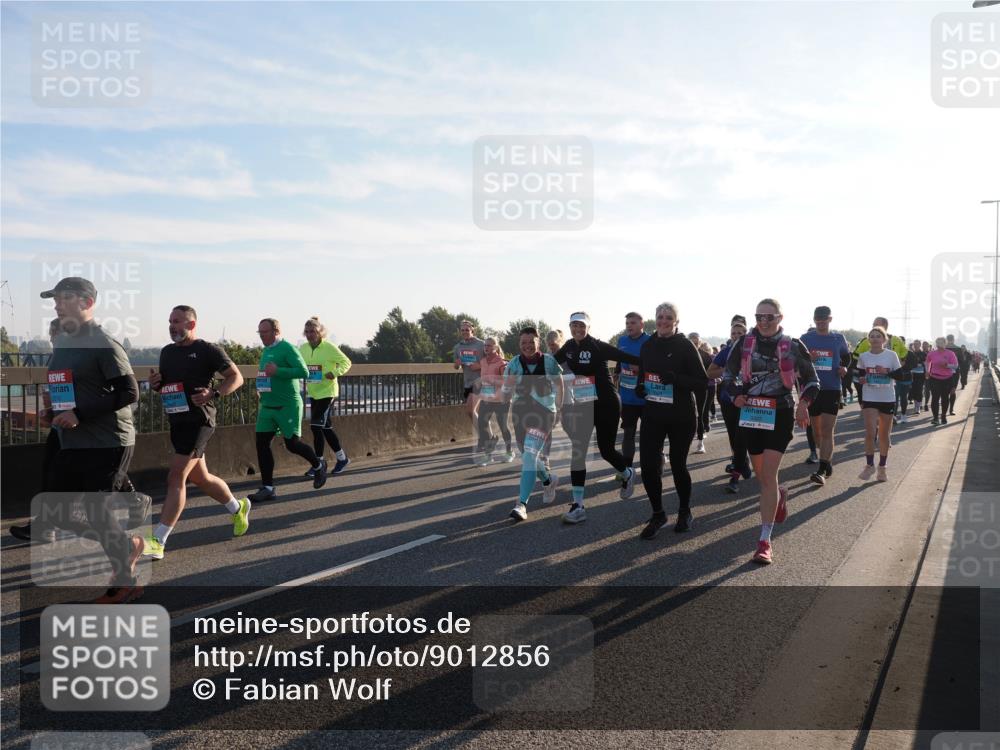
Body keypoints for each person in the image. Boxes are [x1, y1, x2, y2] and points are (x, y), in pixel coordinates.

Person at [39, 277, 146, 603]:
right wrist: (55, 412)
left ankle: (125, 584)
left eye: (64, 298)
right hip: (73, 440)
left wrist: (79, 413)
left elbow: (130, 392)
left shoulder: (103, 343)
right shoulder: (63, 344)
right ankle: (126, 546)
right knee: (55, 511)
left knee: (96, 512)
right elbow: (71, 388)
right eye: (55, 300)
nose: (57, 305)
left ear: (87, 303)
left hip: (108, 440)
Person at [144, 305, 249, 560]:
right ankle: (238, 508)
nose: (172, 326)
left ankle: (158, 539)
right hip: (178, 420)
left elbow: (236, 377)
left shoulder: (207, 350)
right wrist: (157, 384)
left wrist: (214, 393)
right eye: (170, 321)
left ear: (191, 324)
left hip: (200, 421)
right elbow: (168, 385)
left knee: (176, 477)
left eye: (177, 321)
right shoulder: (167, 352)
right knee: (201, 478)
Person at [723, 298, 818, 565]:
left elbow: (812, 380)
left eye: (769, 317)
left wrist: (804, 405)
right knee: (763, 477)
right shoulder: (744, 344)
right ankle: (779, 494)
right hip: (751, 414)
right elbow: (728, 376)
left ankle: (764, 540)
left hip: (780, 412)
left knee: (768, 475)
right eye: (759, 317)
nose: (763, 322)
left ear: (780, 318)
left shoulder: (793, 345)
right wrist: (736, 395)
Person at [553, 312, 641, 524]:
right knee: (578, 451)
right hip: (584, 403)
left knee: (606, 451)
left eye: (582, 326)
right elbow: (550, 363)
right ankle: (578, 505)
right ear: (570, 327)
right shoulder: (569, 346)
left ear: (588, 327)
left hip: (607, 403)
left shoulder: (597, 346)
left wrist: (651, 363)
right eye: (574, 325)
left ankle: (627, 473)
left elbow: (627, 358)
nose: (578, 329)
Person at [634, 303, 707, 539]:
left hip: (681, 415)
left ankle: (685, 511)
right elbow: (642, 377)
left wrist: (676, 379)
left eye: (668, 317)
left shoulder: (685, 346)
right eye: (660, 317)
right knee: (648, 466)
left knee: (677, 465)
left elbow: (702, 382)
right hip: (653, 414)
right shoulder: (648, 346)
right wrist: (640, 388)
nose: (663, 321)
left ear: (676, 322)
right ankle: (658, 514)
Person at [249, 318, 327, 502]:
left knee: (292, 444)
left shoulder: (288, 348)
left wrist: (278, 371)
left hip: (287, 405)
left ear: (276, 331)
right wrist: (261, 388)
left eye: (265, 332)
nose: (262, 336)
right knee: (262, 444)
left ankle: (318, 464)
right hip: (268, 405)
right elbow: (266, 373)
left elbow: (303, 372)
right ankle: (268, 488)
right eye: (260, 332)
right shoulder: (266, 350)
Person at [503, 327, 563, 522]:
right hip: (521, 413)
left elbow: (559, 384)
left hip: (544, 412)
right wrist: (507, 388)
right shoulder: (513, 364)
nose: (527, 346)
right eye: (524, 343)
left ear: (538, 343)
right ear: (519, 344)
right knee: (528, 455)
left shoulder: (549, 362)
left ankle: (521, 504)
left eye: (531, 342)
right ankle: (548, 480)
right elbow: (505, 393)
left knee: (529, 454)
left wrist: (559, 408)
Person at [799, 306, 851, 485]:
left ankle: (821, 469)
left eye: (824, 319)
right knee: (817, 432)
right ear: (814, 320)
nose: (821, 322)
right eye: (818, 320)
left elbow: (847, 357)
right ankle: (826, 461)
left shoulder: (838, 338)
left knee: (828, 430)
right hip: (812, 388)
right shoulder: (806, 338)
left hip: (832, 388)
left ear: (830, 319)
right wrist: (809, 360)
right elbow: (797, 361)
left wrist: (844, 368)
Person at [299, 317, 352, 476]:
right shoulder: (303, 348)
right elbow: (297, 364)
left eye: (313, 331)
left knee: (316, 426)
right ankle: (342, 458)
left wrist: (335, 372)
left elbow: (346, 362)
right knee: (326, 427)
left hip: (328, 392)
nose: (310, 335)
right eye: (307, 332)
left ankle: (319, 464)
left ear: (320, 332)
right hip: (313, 392)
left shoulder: (329, 347)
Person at [707, 315, 751, 494]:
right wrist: (727, 370)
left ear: (746, 334)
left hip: (748, 402)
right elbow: (710, 373)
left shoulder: (753, 351)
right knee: (734, 436)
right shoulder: (725, 352)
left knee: (743, 436)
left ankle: (736, 475)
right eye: (734, 333)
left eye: (740, 333)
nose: (737, 335)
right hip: (727, 400)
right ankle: (742, 463)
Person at [857, 327, 904, 481]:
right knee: (870, 433)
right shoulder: (863, 356)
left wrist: (886, 372)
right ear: (868, 339)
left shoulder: (891, 355)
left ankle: (882, 468)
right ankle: (869, 465)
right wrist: (862, 380)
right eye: (872, 336)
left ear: (884, 340)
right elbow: (860, 376)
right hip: (869, 396)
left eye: (878, 336)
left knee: (884, 435)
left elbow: (900, 375)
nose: (875, 338)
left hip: (887, 398)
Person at [615, 312, 650, 472]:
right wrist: (617, 373)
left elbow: (657, 365)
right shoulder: (621, 341)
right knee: (628, 433)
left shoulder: (650, 341)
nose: (629, 326)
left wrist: (641, 369)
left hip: (647, 397)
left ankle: (656, 459)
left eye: (633, 323)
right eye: (627, 323)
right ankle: (627, 469)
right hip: (627, 397)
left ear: (642, 325)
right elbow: (619, 362)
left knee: (649, 435)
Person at [475, 337, 514, 464]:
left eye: (489, 345)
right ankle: (489, 452)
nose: (486, 348)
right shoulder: (482, 361)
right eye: (485, 345)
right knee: (482, 423)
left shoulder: (501, 363)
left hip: (501, 400)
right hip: (486, 398)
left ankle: (509, 452)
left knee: (503, 426)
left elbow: (507, 382)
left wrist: (492, 381)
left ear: (496, 347)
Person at [453, 320, 485, 431]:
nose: (464, 332)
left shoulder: (481, 344)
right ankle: (489, 436)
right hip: (467, 382)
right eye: (462, 330)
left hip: (481, 381)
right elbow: (456, 366)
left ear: (472, 330)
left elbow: (492, 360)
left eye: (467, 330)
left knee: (470, 410)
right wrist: (457, 365)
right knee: (477, 412)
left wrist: (479, 365)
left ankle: (483, 436)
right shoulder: (458, 347)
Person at [688, 331, 712, 454]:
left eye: (696, 341)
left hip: (701, 388)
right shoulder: (683, 354)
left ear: (699, 342)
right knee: (687, 414)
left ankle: (700, 443)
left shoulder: (705, 355)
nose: (694, 343)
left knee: (700, 415)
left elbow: (711, 372)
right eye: (692, 340)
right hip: (686, 387)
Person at [926, 337, 959, 426]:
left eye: (941, 343)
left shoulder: (950, 353)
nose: (939, 345)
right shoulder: (932, 353)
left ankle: (943, 416)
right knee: (935, 398)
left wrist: (947, 365)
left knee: (945, 398)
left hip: (947, 379)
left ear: (945, 344)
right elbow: (927, 362)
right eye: (938, 343)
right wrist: (927, 371)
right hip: (934, 378)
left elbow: (955, 366)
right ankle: (935, 418)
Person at [892, 337, 916, 425]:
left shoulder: (910, 353)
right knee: (894, 397)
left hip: (906, 378)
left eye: (901, 342)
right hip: (895, 378)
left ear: (904, 343)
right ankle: (893, 416)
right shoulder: (893, 353)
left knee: (903, 397)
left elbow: (914, 364)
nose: (899, 343)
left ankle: (903, 415)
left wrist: (904, 366)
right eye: (898, 342)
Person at [945, 335, 964, 416]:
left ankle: (949, 409)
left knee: (949, 391)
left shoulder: (945, 348)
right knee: (950, 391)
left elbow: (961, 361)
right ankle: (950, 409)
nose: (950, 341)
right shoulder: (958, 349)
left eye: (950, 339)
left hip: (951, 372)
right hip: (949, 372)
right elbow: (962, 361)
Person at [909, 340, 926, 415]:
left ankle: (918, 407)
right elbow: (908, 363)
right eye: (915, 344)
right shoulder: (910, 353)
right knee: (913, 390)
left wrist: (920, 364)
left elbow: (926, 363)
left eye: (917, 344)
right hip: (912, 374)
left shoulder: (923, 353)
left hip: (921, 375)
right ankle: (916, 406)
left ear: (920, 345)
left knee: (919, 390)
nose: (916, 345)